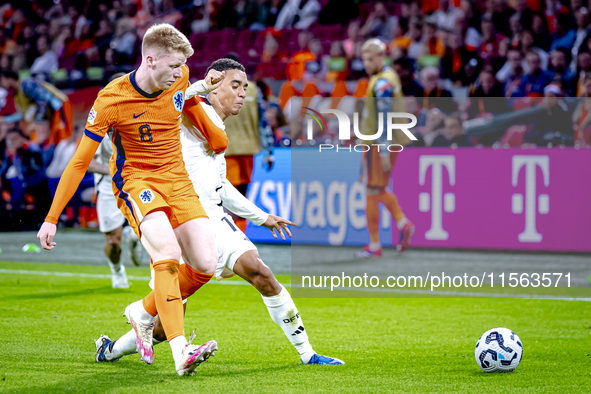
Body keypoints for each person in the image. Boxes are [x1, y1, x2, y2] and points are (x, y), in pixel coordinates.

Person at [95, 58, 344, 366]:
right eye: (234, 85)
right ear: (214, 83)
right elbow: (168, 97)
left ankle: (308, 354)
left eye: (245, 87)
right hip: (180, 221)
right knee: (161, 326)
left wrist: (261, 217)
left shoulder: (215, 125)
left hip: (212, 217)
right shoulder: (187, 114)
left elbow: (220, 185)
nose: (242, 93)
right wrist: (197, 87)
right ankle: (111, 349)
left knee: (261, 274)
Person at [36, 24, 222, 376]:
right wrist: (51, 217)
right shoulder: (112, 98)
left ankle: (142, 312)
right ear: (149, 60)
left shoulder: (179, 76)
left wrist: (214, 131)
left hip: (178, 180)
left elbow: (186, 100)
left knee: (205, 265)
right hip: (136, 181)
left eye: (182, 66)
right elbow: (78, 162)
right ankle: (181, 352)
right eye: (173, 66)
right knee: (167, 254)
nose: (179, 72)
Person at [354, 39, 415, 259]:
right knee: (375, 189)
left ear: (381, 57)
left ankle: (377, 242)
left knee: (372, 190)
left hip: (378, 144)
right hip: (379, 143)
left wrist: (385, 148)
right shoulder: (386, 78)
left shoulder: (382, 83)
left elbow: (384, 117)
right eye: (364, 59)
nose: (367, 64)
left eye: (371, 59)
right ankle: (398, 226)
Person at [223, 53, 274, 233]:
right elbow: (263, 122)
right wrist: (269, 151)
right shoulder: (253, 89)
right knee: (240, 197)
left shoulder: (217, 90)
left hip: (226, 151)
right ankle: (237, 239)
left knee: (230, 199)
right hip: (246, 150)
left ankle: (232, 241)